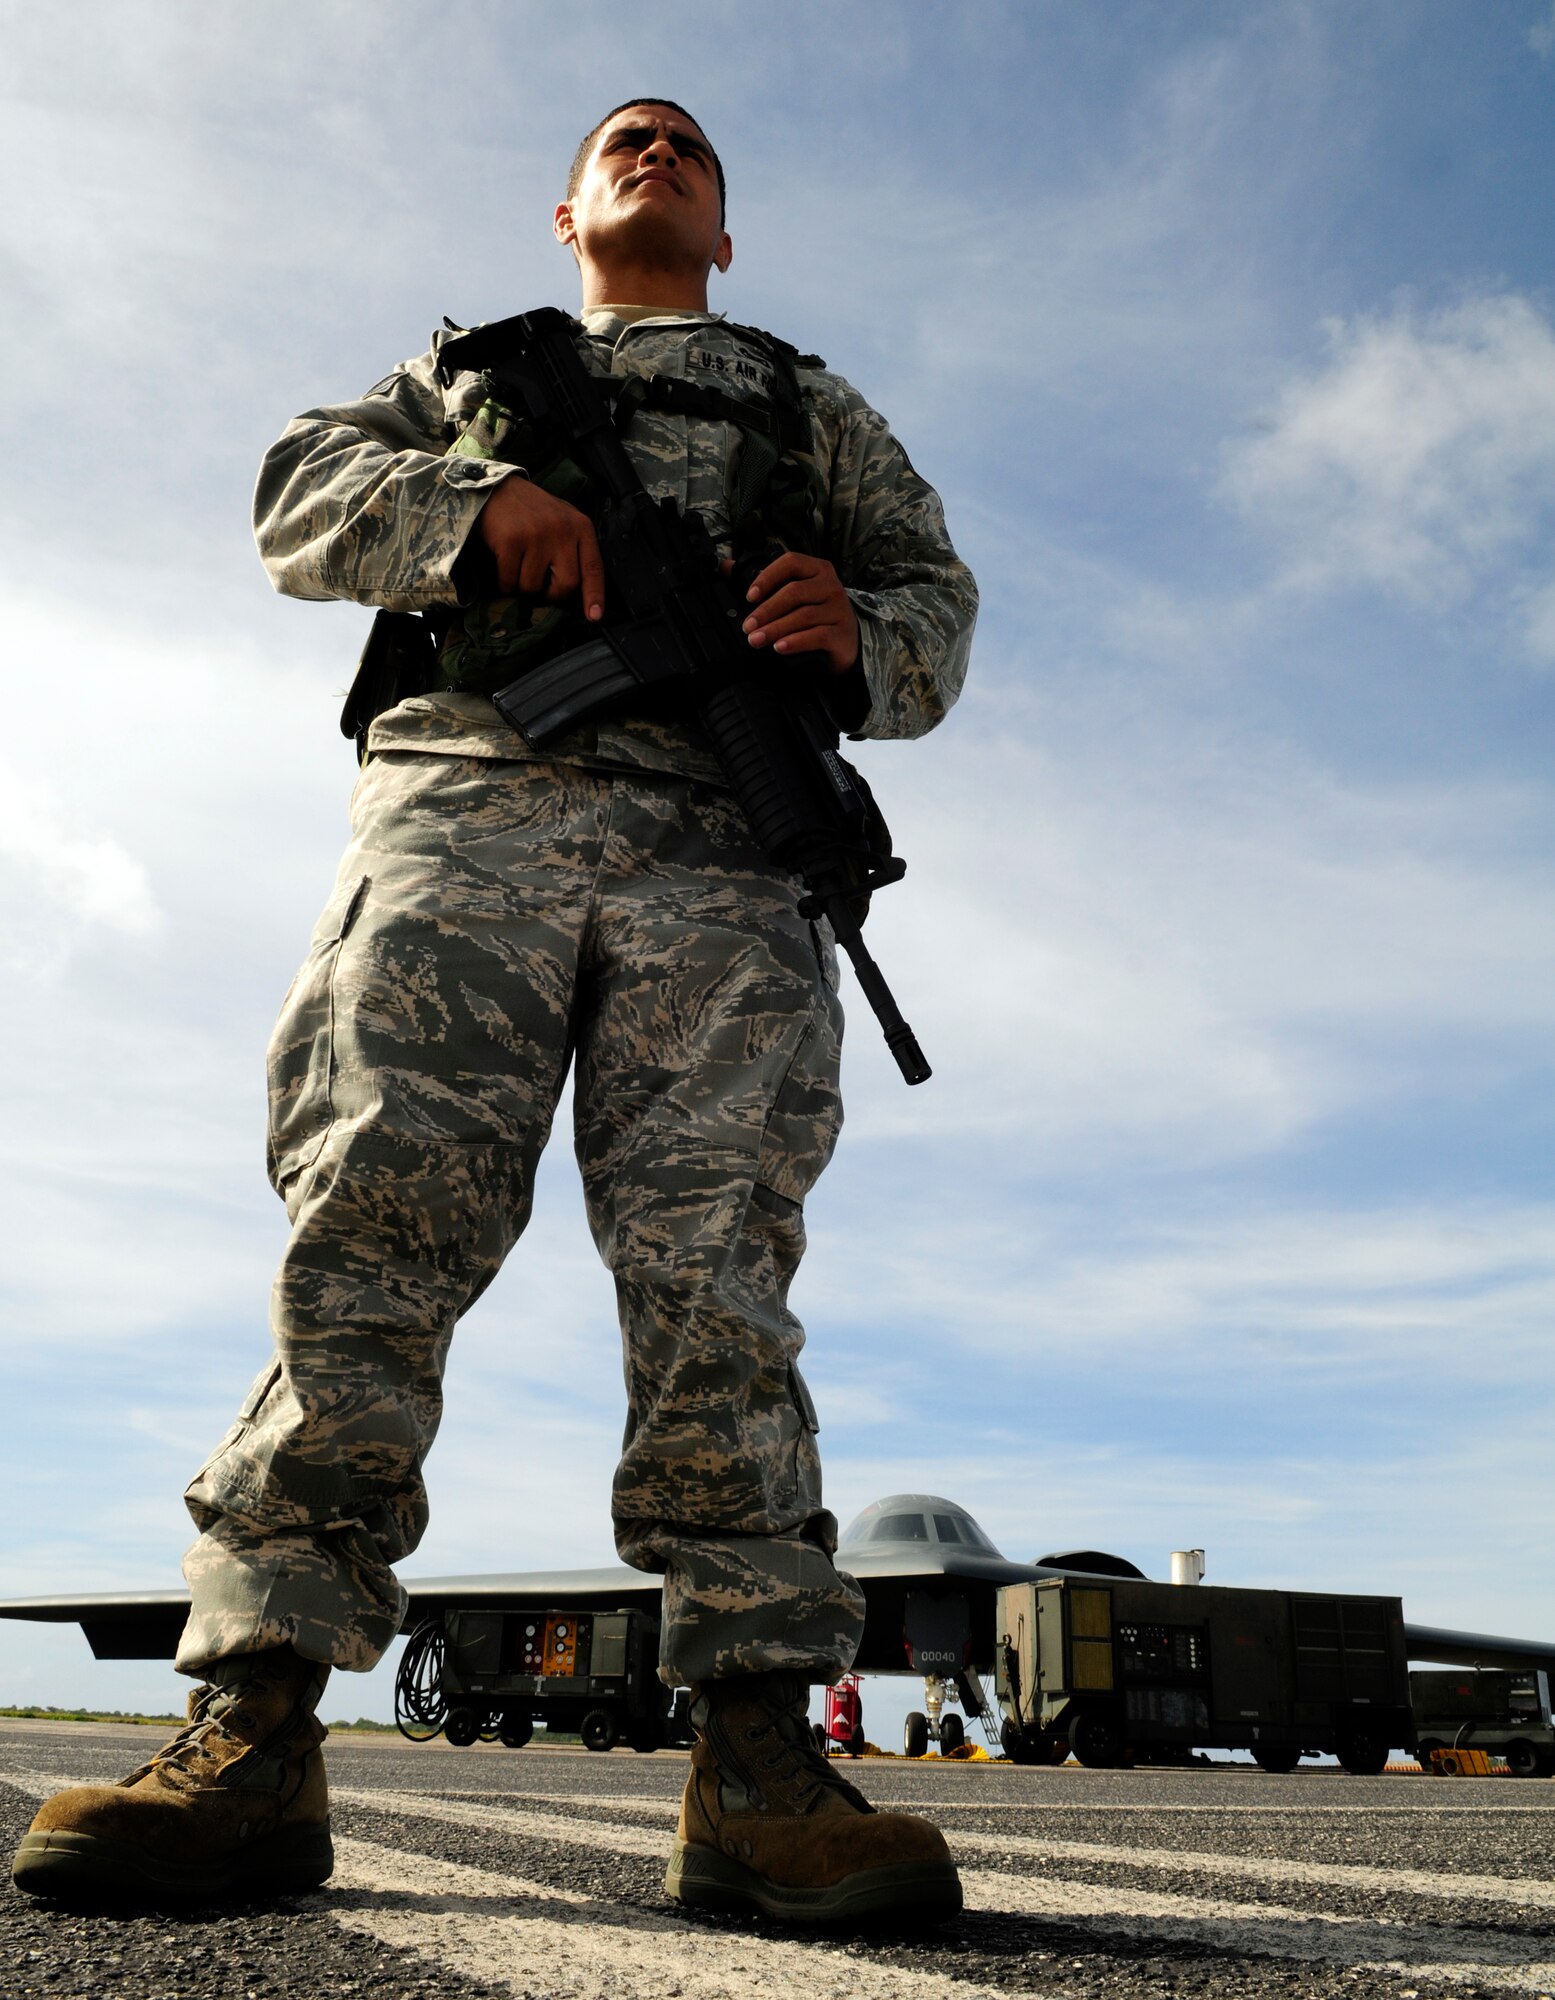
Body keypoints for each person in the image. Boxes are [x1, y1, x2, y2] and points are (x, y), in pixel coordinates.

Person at [15, 98, 977, 1925]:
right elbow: (296, 495)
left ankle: (760, 1758)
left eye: (689, 148)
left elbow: (937, 611)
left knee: (718, 1274)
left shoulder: (808, 406)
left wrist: (856, 625)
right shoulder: (469, 370)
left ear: (723, 225)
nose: (657, 153)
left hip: (721, 853)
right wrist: (478, 503)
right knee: (374, 1225)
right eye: (624, 143)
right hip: (468, 815)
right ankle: (253, 1727)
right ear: (566, 213)